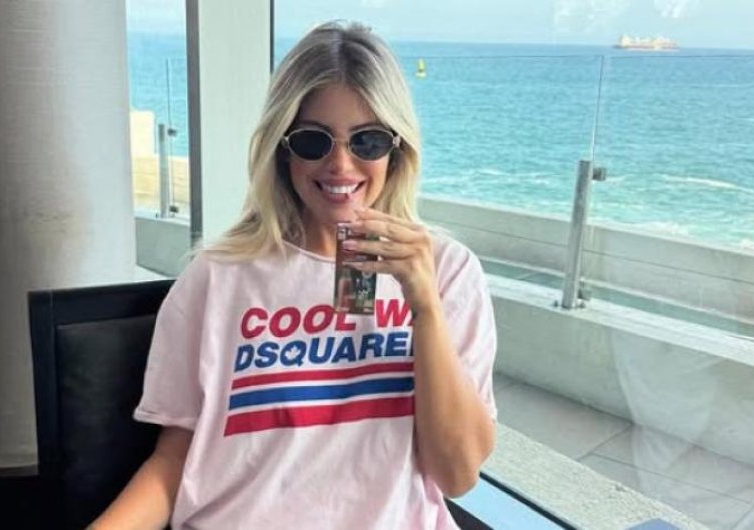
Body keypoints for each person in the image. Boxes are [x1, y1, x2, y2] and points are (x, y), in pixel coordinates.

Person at [91, 21, 497, 530]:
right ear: (282, 147)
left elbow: (457, 474)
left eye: (368, 140)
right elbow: (174, 463)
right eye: (313, 141)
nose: (341, 164)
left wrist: (425, 307)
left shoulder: (449, 272)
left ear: (396, 149)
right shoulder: (216, 279)